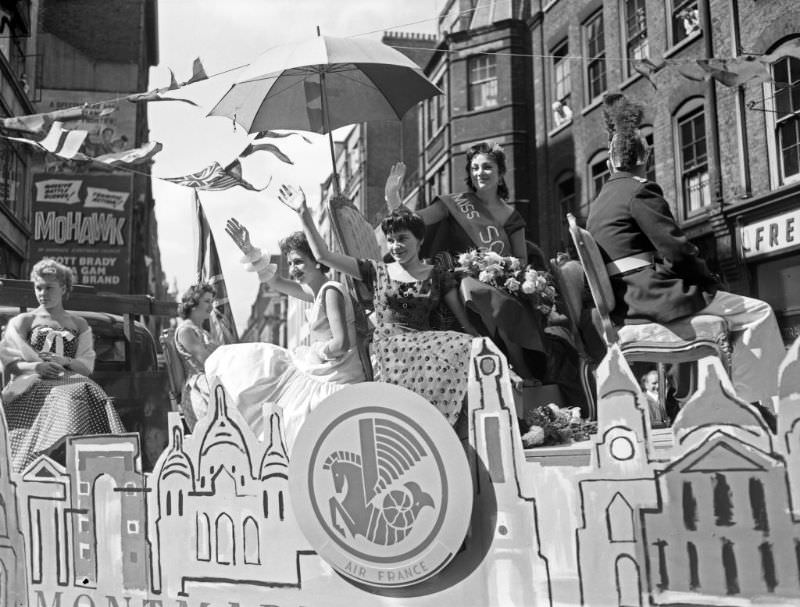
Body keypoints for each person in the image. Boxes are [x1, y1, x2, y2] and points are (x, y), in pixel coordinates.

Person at [587, 93, 785, 409]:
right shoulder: (640, 189)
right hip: (652, 298)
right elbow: (678, 251)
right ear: (645, 158)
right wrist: (709, 281)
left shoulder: (598, 204)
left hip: (627, 303)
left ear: (611, 163)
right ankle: (753, 404)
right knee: (759, 313)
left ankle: (725, 402)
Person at [279, 185, 479, 426]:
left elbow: (465, 323)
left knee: (463, 347)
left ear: (420, 239)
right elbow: (323, 256)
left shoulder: (438, 275)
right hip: (388, 351)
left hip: (426, 350)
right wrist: (303, 213)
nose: (396, 246)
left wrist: (483, 344)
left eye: (403, 238)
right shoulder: (375, 270)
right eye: (391, 240)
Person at [384, 143, 546, 380]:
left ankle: (519, 369)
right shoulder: (455, 203)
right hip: (457, 280)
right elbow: (414, 222)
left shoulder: (512, 217)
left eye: (488, 167)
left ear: (501, 175)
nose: (480, 172)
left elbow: (521, 259)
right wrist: (393, 197)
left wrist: (502, 270)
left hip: (499, 283)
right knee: (479, 293)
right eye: (475, 168)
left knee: (501, 304)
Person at [205, 222, 366, 450]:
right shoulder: (316, 292)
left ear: (317, 261)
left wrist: (317, 350)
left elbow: (341, 344)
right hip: (325, 370)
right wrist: (250, 250)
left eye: (299, 261)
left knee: (273, 374)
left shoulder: (331, 290)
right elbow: (276, 282)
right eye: (290, 263)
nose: (293, 269)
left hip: (337, 377)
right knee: (264, 366)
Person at [0, 259, 124, 472]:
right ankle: (46, 455)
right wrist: (36, 367)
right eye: (39, 288)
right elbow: (9, 361)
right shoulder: (24, 321)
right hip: (31, 384)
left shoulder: (78, 324)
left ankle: (93, 457)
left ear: (64, 288)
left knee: (89, 390)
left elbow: (86, 366)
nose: (43, 293)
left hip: (68, 378)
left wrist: (65, 361)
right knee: (68, 394)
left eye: (49, 288)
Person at [174, 283, 219, 429]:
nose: (211, 307)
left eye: (212, 302)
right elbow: (206, 359)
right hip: (199, 390)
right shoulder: (186, 330)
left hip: (210, 382)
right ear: (193, 303)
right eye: (207, 301)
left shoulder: (203, 331)